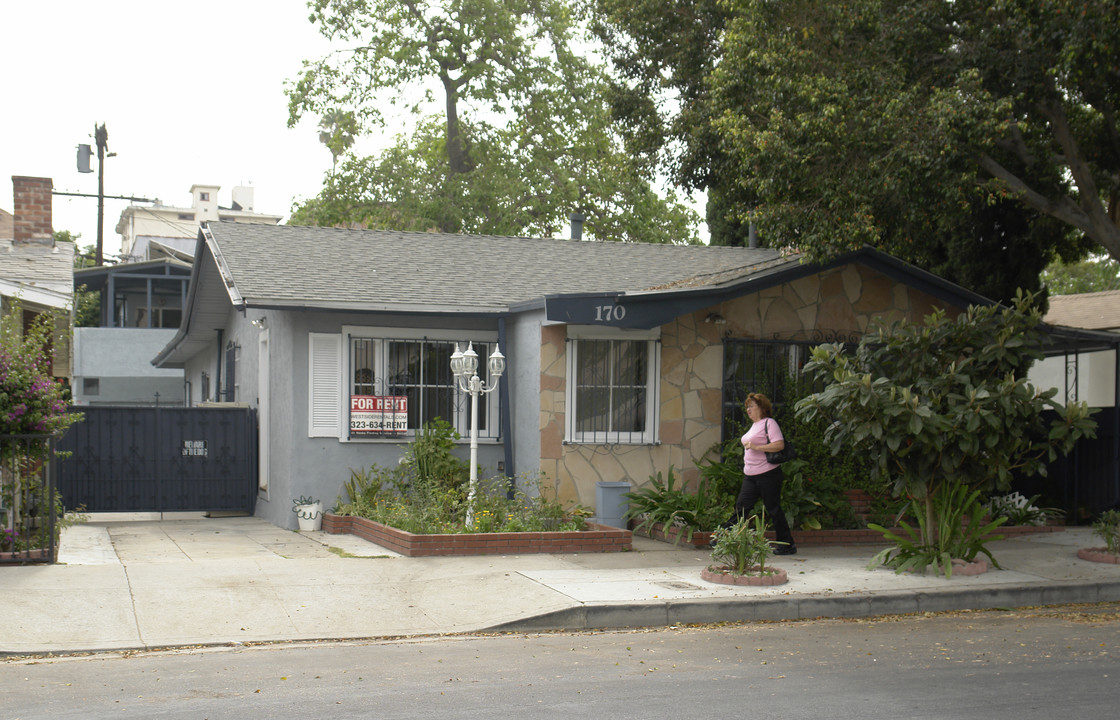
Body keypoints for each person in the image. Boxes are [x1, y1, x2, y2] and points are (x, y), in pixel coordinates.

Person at [714, 393, 797, 555]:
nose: (748, 410)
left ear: (762, 408)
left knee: (773, 509)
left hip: (768, 474)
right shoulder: (755, 425)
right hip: (750, 476)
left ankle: (787, 545)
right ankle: (721, 538)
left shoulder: (769, 423)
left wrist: (757, 448)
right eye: (747, 407)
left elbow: (779, 445)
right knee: (741, 508)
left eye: (751, 406)